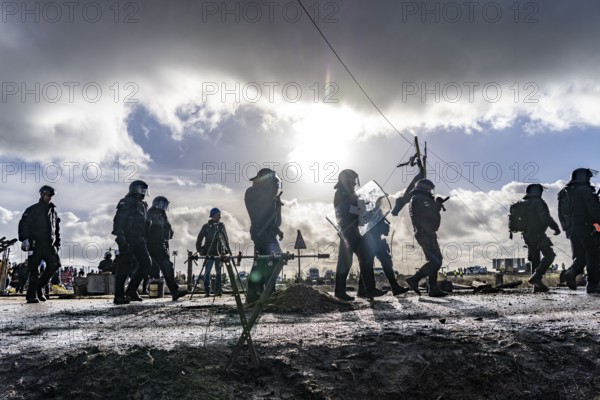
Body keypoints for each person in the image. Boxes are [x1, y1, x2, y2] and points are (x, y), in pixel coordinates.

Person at [333, 169, 385, 301]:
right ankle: (340, 292)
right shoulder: (340, 193)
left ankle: (367, 290)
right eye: (353, 179)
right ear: (347, 179)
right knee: (345, 262)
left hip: (356, 231)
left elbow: (357, 208)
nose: (355, 182)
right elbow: (345, 210)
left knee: (366, 259)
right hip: (348, 232)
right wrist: (361, 210)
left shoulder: (351, 193)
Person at [111, 180, 154, 305]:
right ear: (134, 189)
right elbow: (119, 219)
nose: (144, 192)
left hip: (139, 238)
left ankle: (131, 290)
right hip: (127, 237)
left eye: (145, 190)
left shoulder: (143, 205)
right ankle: (118, 296)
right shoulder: (127, 202)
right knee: (124, 266)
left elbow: (146, 223)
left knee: (146, 263)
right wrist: (120, 235)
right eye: (141, 189)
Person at [558, 168, 600, 294]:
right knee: (594, 256)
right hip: (587, 228)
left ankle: (571, 273)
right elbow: (594, 211)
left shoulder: (563, 192)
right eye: (588, 177)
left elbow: (561, 214)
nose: (589, 179)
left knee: (580, 255)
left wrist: (566, 229)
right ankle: (593, 285)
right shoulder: (586, 190)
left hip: (572, 229)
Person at [244, 168, 283, 303]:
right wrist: (274, 200)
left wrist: (278, 206)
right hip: (261, 232)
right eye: (274, 183)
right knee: (276, 259)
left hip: (267, 232)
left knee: (261, 262)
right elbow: (259, 216)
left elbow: (275, 221)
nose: (276, 187)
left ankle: (257, 292)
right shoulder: (253, 192)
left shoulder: (267, 196)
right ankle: (265, 291)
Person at [18, 185, 62, 304]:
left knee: (55, 264)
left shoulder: (53, 211)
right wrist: (24, 239)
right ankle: (31, 295)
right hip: (35, 244)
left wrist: (57, 244)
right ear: (42, 194)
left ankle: (39, 287)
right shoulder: (32, 209)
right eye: (48, 195)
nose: (50, 198)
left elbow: (56, 229)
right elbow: (23, 224)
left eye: (51, 196)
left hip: (50, 245)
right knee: (34, 270)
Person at [405, 179, 448, 297]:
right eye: (429, 188)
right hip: (425, 233)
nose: (431, 191)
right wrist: (436, 205)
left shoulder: (420, 199)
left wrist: (435, 205)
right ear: (424, 188)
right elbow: (428, 214)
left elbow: (429, 213)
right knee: (435, 261)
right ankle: (415, 278)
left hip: (427, 233)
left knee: (435, 260)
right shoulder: (419, 199)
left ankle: (433, 289)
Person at [517, 184, 561, 292]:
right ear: (538, 192)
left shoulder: (524, 204)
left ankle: (537, 286)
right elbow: (546, 218)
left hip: (527, 235)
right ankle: (536, 277)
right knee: (550, 255)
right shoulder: (538, 202)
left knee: (535, 259)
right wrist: (556, 228)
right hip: (538, 234)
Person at [146, 196, 188, 301]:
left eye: (166, 204)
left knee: (167, 266)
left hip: (160, 245)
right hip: (150, 244)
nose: (164, 207)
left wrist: (168, 232)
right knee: (143, 268)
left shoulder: (162, 215)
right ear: (157, 204)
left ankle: (174, 291)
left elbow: (168, 229)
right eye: (162, 204)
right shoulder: (149, 214)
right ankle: (130, 290)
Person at [363, 218, 409, 296]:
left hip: (373, 236)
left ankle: (394, 287)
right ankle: (364, 289)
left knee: (380, 261)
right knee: (369, 262)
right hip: (370, 236)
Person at [196, 207, 230, 297]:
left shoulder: (221, 226)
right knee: (207, 272)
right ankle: (207, 291)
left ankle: (218, 290)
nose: (219, 217)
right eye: (218, 215)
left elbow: (226, 238)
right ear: (213, 216)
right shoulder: (206, 227)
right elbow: (199, 238)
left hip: (219, 252)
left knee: (219, 272)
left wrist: (226, 249)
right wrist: (199, 249)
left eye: (220, 215)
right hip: (209, 252)